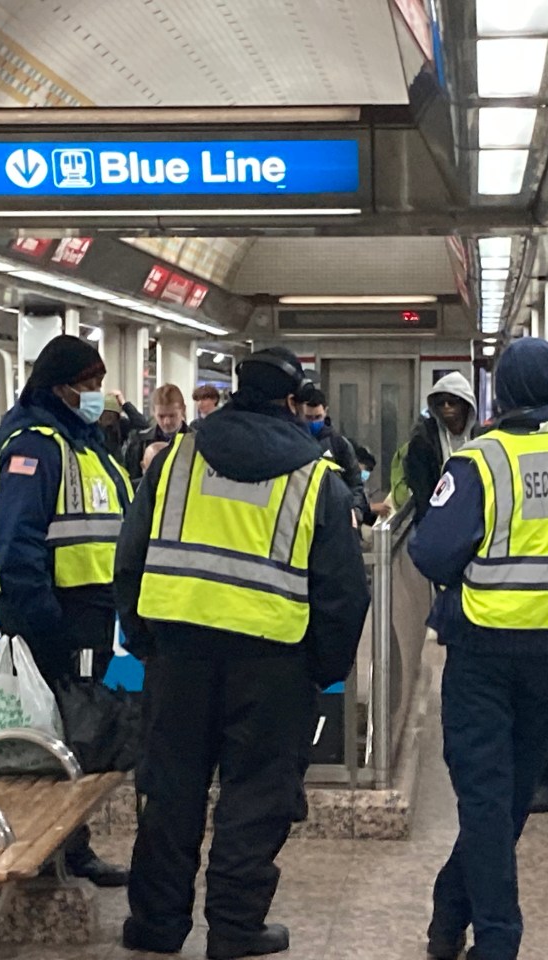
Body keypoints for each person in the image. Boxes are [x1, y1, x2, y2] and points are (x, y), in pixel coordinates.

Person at [116, 347, 369, 960]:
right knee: (256, 796)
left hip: (178, 654)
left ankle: (156, 923)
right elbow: (342, 591)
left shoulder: (174, 459)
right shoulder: (316, 481)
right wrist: (324, 669)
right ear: (290, 402)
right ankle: (233, 927)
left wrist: (141, 635)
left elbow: (131, 553)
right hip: (273, 662)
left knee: (171, 788)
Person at [410, 338, 548, 960]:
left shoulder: (483, 461)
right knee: (505, 803)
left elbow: (431, 552)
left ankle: (497, 940)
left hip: (482, 654)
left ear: (500, 394)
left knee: (484, 802)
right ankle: (449, 917)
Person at [0, 334, 132, 886]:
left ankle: (71, 847)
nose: (97, 394)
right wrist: (43, 623)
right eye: (89, 385)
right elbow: (16, 542)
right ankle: (46, 854)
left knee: (76, 734)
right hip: (51, 616)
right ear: (60, 386)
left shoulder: (86, 444)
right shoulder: (35, 446)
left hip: (87, 611)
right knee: (49, 737)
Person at [389, 373, 478, 520]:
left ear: (465, 403)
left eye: (452, 401)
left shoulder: (480, 436)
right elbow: (422, 494)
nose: (446, 407)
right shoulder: (423, 440)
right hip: (437, 518)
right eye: (440, 403)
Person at [300, 387, 370, 523]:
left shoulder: (338, 444)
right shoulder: (294, 440)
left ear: (325, 412)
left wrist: (355, 511)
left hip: (333, 516)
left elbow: (355, 482)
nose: (313, 422)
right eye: (308, 418)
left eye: (317, 417)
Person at [123, 383, 188, 482]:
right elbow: (130, 480)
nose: (167, 422)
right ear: (153, 412)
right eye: (161, 416)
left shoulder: (197, 442)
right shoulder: (139, 442)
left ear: (183, 410)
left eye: (172, 416)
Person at [102, 388, 150, 461]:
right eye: (106, 413)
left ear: (117, 415)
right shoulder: (95, 429)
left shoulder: (121, 425)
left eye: (112, 413)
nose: (108, 416)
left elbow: (143, 425)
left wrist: (125, 404)